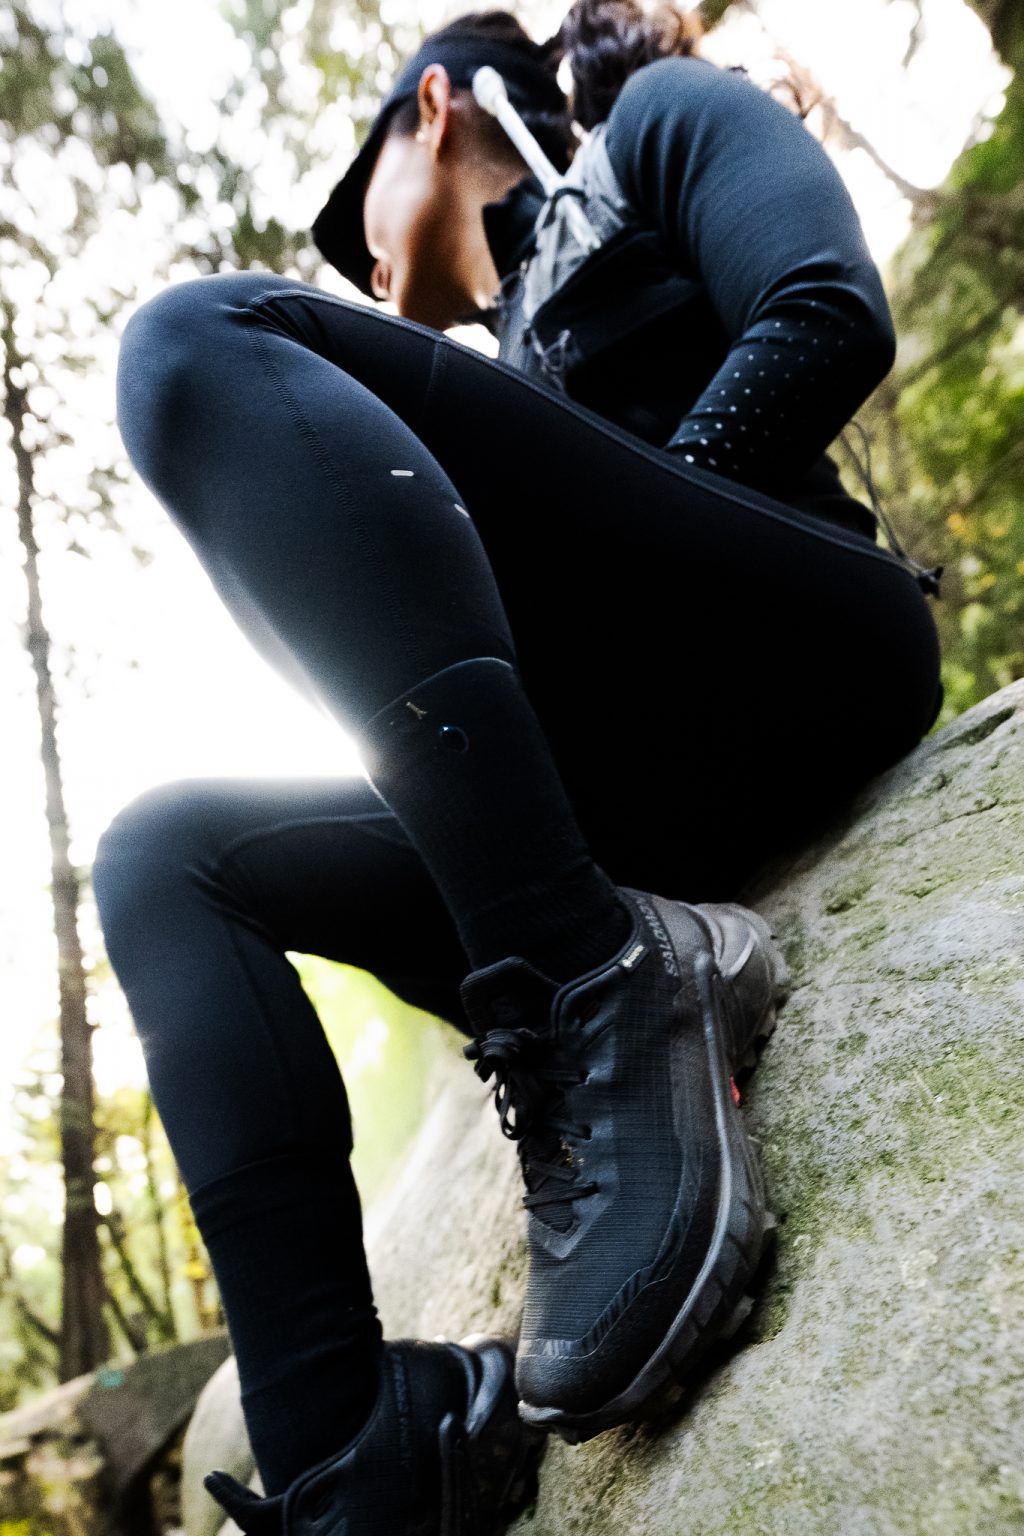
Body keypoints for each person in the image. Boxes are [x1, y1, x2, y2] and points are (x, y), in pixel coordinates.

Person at [93, 2, 944, 1532]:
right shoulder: (484, 371)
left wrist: (617, 560)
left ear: (434, 110)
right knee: (164, 855)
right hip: (615, 802)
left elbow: (825, 309)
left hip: (798, 654)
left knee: (187, 346)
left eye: (357, 217)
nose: (363, 266)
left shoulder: (657, 127)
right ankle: (351, 1449)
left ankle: (595, 987)